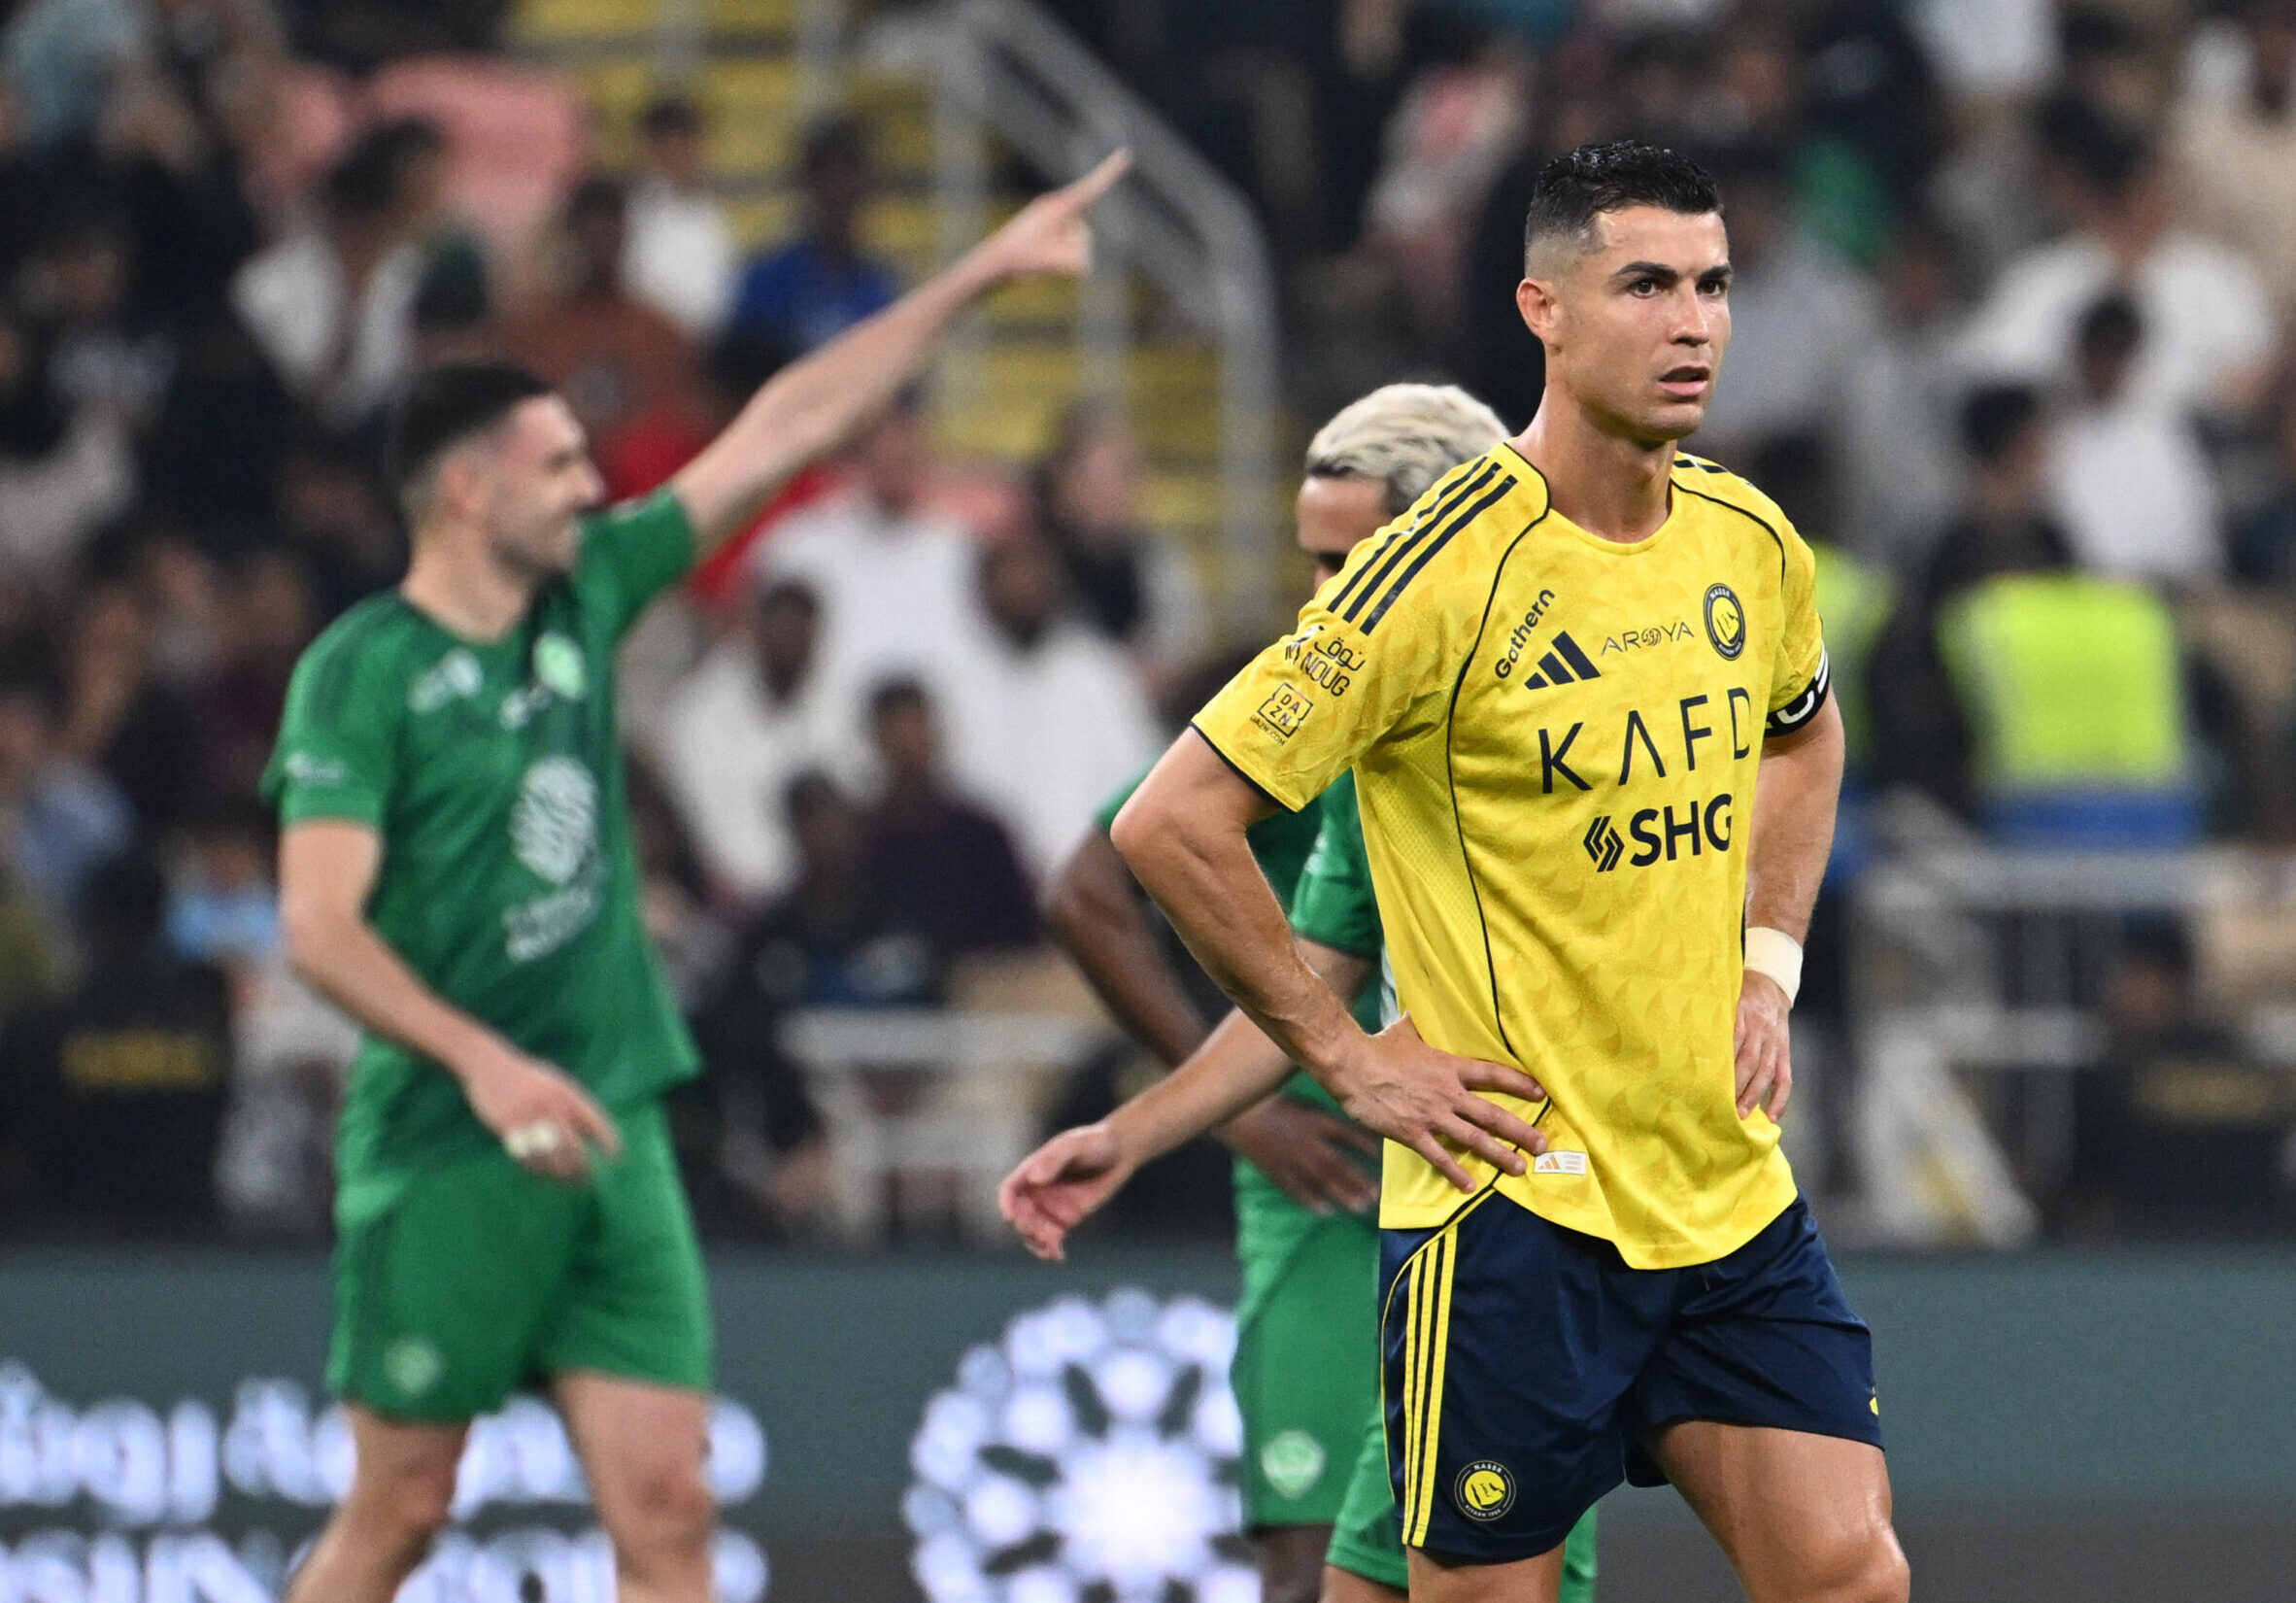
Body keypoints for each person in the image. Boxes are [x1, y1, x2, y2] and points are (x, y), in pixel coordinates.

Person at [260, 151, 1130, 1603]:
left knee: (669, 1510)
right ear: (466, 491)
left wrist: (974, 278)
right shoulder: (361, 674)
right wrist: (485, 1065)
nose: (595, 484)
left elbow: (783, 426)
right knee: (402, 1511)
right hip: (447, 1138)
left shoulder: (585, 590)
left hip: (612, 1117)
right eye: (557, 464)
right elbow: (317, 927)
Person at [1104, 142, 1903, 1603]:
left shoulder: (1749, 538)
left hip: (1721, 1189)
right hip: (1513, 1212)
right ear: (1544, 307)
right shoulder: (1431, 574)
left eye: (1715, 287)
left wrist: (1767, 967)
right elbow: (1168, 823)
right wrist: (1349, 1060)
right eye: (1646, 284)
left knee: (1850, 1574)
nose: (1693, 323)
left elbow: (1806, 735)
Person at [1012, 382, 1601, 1603]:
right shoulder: (1329, 715)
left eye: (1348, 560)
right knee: (1338, 1572)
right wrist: (1215, 1111)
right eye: (1313, 562)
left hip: (1567, 1192)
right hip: (1382, 1176)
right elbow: (1117, 881)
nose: (1320, 600)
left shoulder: (1591, 695)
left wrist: (1765, 978)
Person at [726, 114, 899, 354]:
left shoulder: (879, 291)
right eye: (829, 177)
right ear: (809, 185)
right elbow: (738, 379)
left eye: (850, 177)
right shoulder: (767, 283)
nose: (840, 191)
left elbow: (901, 382)